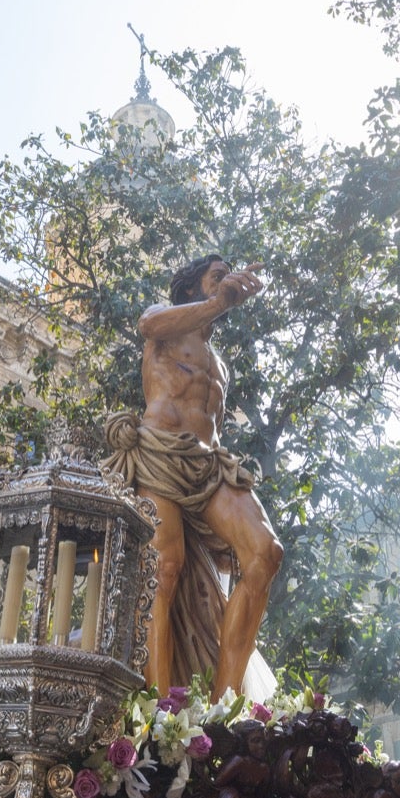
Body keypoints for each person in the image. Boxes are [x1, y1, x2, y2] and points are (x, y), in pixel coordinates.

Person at [102, 255, 283, 697]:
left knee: (265, 552)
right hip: (160, 454)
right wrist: (220, 299)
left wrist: (220, 298)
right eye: (215, 277)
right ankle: (160, 709)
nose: (226, 285)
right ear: (191, 288)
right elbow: (147, 328)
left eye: (228, 279)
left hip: (209, 464)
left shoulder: (220, 364)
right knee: (164, 569)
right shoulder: (160, 324)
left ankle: (226, 703)